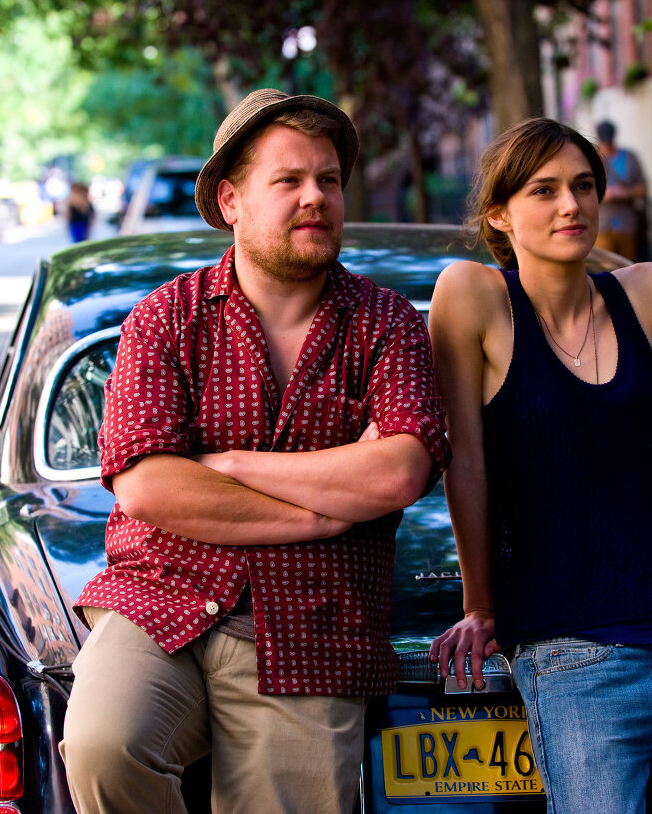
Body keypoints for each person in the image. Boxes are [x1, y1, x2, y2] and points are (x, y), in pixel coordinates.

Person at [60, 88, 449, 814]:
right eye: (289, 180)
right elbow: (146, 487)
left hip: (316, 617)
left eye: (328, 180)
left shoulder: (388, 324)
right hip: (162, 596)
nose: (316, 197)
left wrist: (228, 464)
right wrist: (322, 511)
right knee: (102, 745)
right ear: (231, 200)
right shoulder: (164, 319)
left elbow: (400, 470)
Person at [428, 117, 652, 813]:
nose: (571, 205)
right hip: (574, 654)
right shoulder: (473, 297)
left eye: (582, 186)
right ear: (499, 214)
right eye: (543, 190)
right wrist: (480, 605)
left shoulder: (650, 291)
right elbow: (466, 463)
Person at [594, 119, 649, 261]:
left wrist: (624, 192)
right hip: (602, 225)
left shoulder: (629, 158)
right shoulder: (593, 159)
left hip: (627, 224)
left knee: (627, 266)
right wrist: (604, 194)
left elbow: (643, 189)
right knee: (605, 266)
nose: (607, 145)